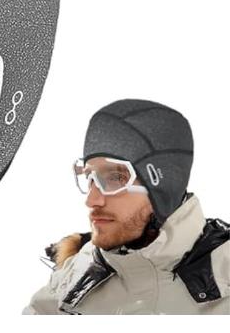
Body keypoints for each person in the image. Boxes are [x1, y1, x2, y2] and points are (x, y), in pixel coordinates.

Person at [23, 99, 229, 314]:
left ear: (164, 187)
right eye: (90, 178)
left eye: (115, 177)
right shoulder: (72, 279)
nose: (92, 200)